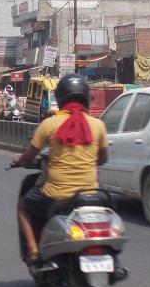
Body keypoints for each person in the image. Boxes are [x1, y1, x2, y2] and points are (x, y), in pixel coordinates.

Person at [10, 74, 109, 266]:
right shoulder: (98, 125)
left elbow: (28, 158)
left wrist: (18, 161)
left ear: (60, 98)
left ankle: (33, 249)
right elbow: (103, 158)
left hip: (56, 194)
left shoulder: (49, 124)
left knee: (24, 206)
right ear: (86, 97)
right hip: (91, 194)